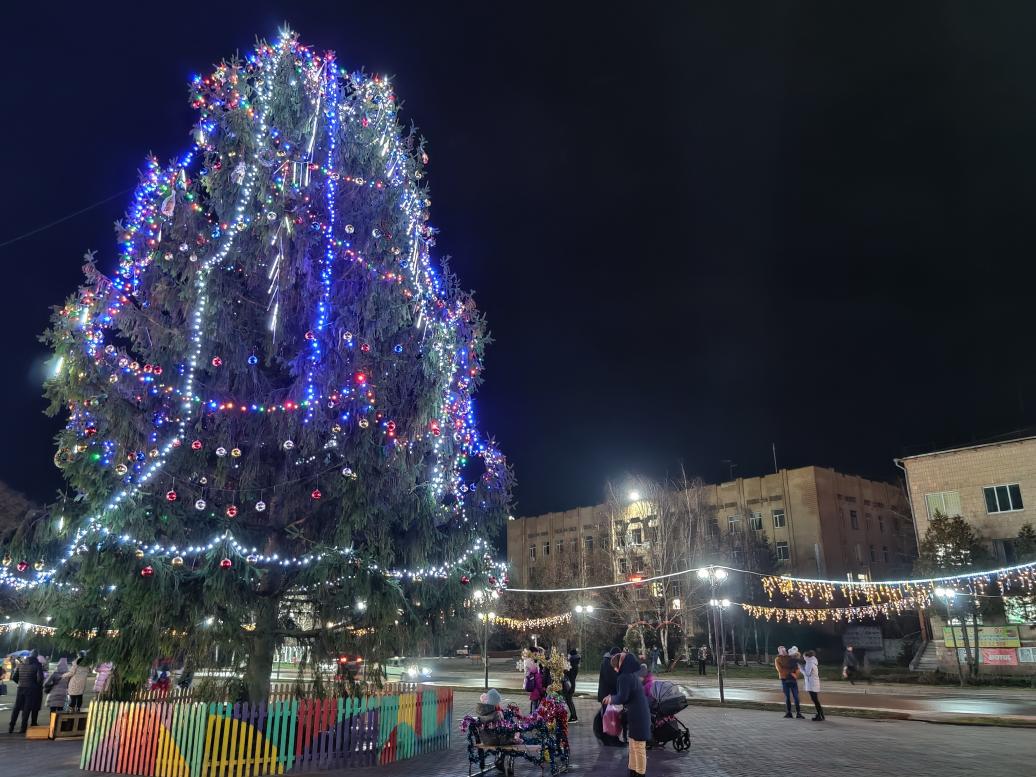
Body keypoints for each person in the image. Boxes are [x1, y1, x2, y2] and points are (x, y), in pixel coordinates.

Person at [604, 652, 651, 777]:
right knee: (634, 744)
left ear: (619, 665)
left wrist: (611, 699)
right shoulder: (631, 675)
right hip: (638, 713)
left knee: (638, 746)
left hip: (638, 715)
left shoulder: (624, 677)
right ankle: (634, 771)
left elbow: (623, 697)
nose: (615, 669)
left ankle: (639, 773)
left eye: (615, 666)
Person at [8, 650, 45, 734]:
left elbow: (14, 677)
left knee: (16, 707)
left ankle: (11, 727)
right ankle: (23, 728)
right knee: (26, 708)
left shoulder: (20, 665)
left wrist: (21, 682)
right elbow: (40, 679)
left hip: (20, 687)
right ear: (36, 656)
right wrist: (35, 685)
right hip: (31, 689)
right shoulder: (37, 665)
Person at [595, 647, 624, 746]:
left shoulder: (608, 661)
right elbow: (611, 679)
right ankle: (609, 739)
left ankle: (611, 738)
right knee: (609, 718)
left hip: (608, 695)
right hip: (607, 695)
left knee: (610, 717)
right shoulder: (607, 663)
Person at [774, 646, 805, 719]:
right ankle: (789, 713)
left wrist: (796, 674)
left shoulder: (790, 657)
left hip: (793, 679)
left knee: (796, 697)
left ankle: (798, 713)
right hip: (784, 680)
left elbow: (796, 667)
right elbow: (780, 670)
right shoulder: (777, 659)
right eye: (782, 650)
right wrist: (791, 672)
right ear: (779, 651)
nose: (784, 651)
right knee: (787, 697)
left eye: (784, 649)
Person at [802, 650, 824, 721]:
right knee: (815, 700)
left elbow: (807, 674)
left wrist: (801, 669)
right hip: (814, 683)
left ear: (807, 656)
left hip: (812, 684)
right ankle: (821, 714)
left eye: (804, 656)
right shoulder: (812, 662)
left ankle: (819, 715)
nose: (804, 658)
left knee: (815, 700)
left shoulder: (809, 663)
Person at [563, 649, 580, 722]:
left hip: (570, 685)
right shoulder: (574, 663)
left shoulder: (572, 664)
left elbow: (571, 675)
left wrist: (565, 671)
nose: (568, 656)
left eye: (569, 654)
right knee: (569, 700)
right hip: (571, 684)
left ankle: (574, 717)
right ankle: (573, 716)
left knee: (569, 700)